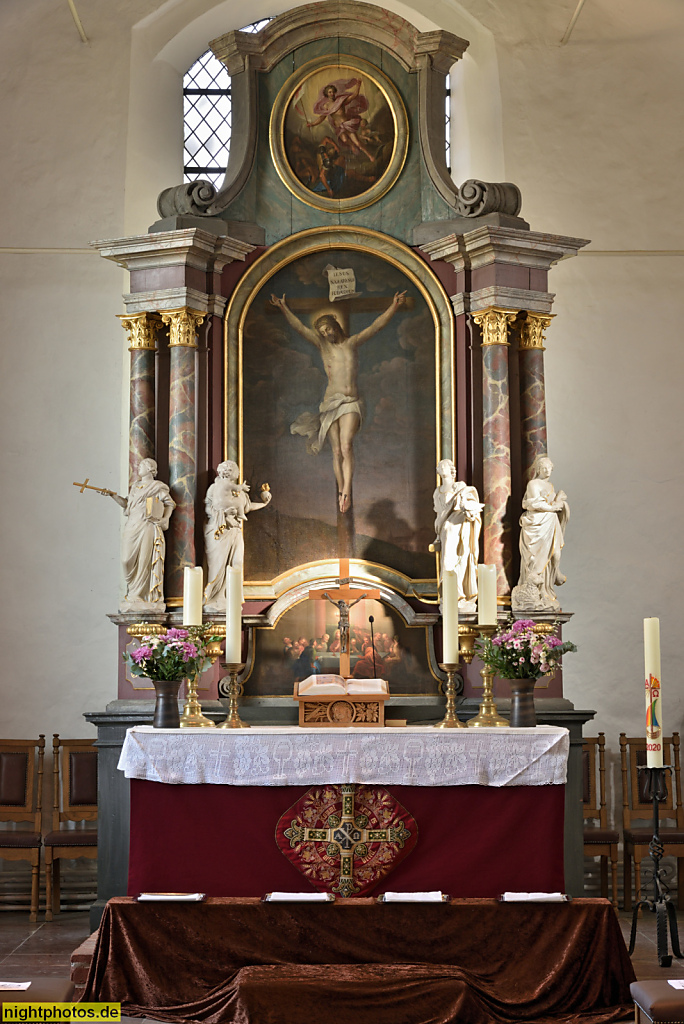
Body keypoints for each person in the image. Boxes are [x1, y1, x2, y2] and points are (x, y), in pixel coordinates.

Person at [270, 290, 406, 513]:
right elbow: (300, 329)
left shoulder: (351, 344)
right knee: (336, 452)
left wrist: (394, 305)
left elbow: (376, 326)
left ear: (336, 325)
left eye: (328, 329)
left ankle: (347, 490)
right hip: (330, 403)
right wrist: (284, 307)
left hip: (351, 402)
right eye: (323, 332)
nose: (326, 334)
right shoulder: (324, 348)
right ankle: (340, 492)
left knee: (346, 445)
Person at [105, 458, 175, 610]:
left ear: (150, 468)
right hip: (132, 525)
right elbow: (127, 504)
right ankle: (133, 593)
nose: (138, 467)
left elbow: (170, 503)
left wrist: (164, 519)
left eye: (142, 465)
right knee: (126, 561)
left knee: (144, 561)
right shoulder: (135, 487)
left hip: (147, 526)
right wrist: (113, 496)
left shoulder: (157, 486)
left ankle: (140, 596)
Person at [203, 461, 272, 612]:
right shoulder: (215, 488)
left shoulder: (240, 493)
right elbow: (208, 508)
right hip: (219, 532)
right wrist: (224, 514)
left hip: (235, 531)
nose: (238, 474)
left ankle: (231, 598)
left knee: (237, 562)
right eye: (236, 471)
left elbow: (248, 507)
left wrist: (264, 504)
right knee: (218, 566)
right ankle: (216, 598)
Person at [512, 455, 569, 612]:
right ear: (538, 470)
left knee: (555, 554)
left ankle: (550, 582)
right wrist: (553, 507)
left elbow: (552, 504)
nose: (547, 470)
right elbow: (533, 502)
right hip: (536, 525)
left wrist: (560, 503)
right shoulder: (533, 483)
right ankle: (539, 590)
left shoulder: (550, 485)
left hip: (550, 523)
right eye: (543, 468)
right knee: (536, 559)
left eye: (549, 468)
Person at [431, 459, 483, 609]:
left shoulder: (460, 486)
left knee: (460, 559)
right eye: (439, 466)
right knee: (447, 561)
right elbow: (439, 514)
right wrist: (438, 532)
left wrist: (467, 507)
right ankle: (451, 593)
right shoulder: (437, 491)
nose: (440, 467)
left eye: (443, 465)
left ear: (451, 469)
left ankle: (459, 594)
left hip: (460, 528)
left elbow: (470, 502)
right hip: (445, 530)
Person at [307, 80, 373, 161]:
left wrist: (358, 85)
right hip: (339, 127)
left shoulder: (340, 101)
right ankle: (351, 145)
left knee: (358, 143)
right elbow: (322, 117)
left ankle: (369, 155)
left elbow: (354, 96)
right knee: (345, 140)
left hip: (347, 124)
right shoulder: (326, 106)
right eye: (329, 92)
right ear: (327, 94)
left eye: (332, 92)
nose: (331, 94)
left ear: (334, 92)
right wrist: (312, 124)